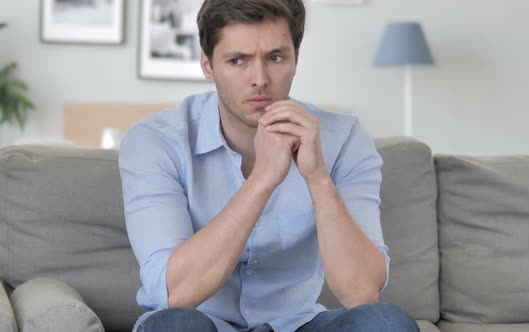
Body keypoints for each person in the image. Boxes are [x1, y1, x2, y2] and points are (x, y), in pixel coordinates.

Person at [119, 0, 420, 331]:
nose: (259, 79)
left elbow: (361, 291)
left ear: (295, 60)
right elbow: (176, 293)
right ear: (208, 66)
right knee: (173, 325)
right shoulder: (155, 141)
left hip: (299, 324)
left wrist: (317, 177)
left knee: (385, 323)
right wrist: (263, 179)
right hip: (200, 324)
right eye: (237, 61)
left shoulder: (344, 139)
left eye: (275, 58)